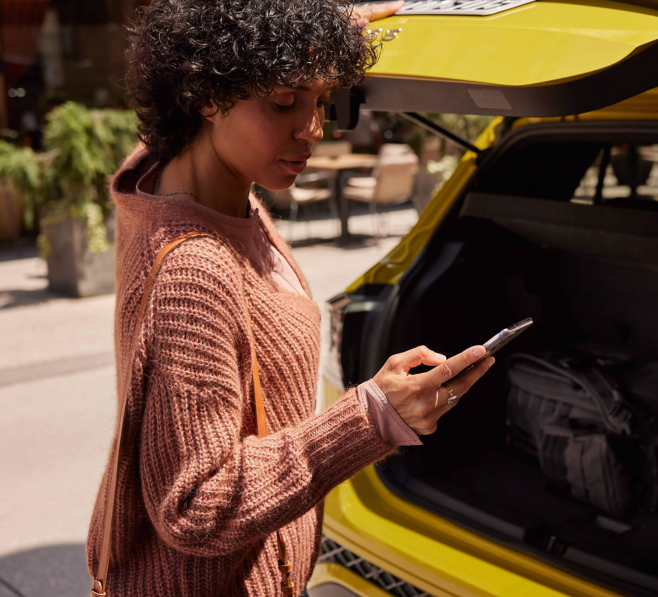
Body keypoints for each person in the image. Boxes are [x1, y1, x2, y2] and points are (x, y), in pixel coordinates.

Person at [85, 1, 495, 596]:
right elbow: (196, 506)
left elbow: (202, 84)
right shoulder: (195, 272)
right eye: (284, 102)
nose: (313, 130)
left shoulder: (168, 186)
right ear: (205, 91)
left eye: (323, 103)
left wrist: (312, 32)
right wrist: (373, 417)